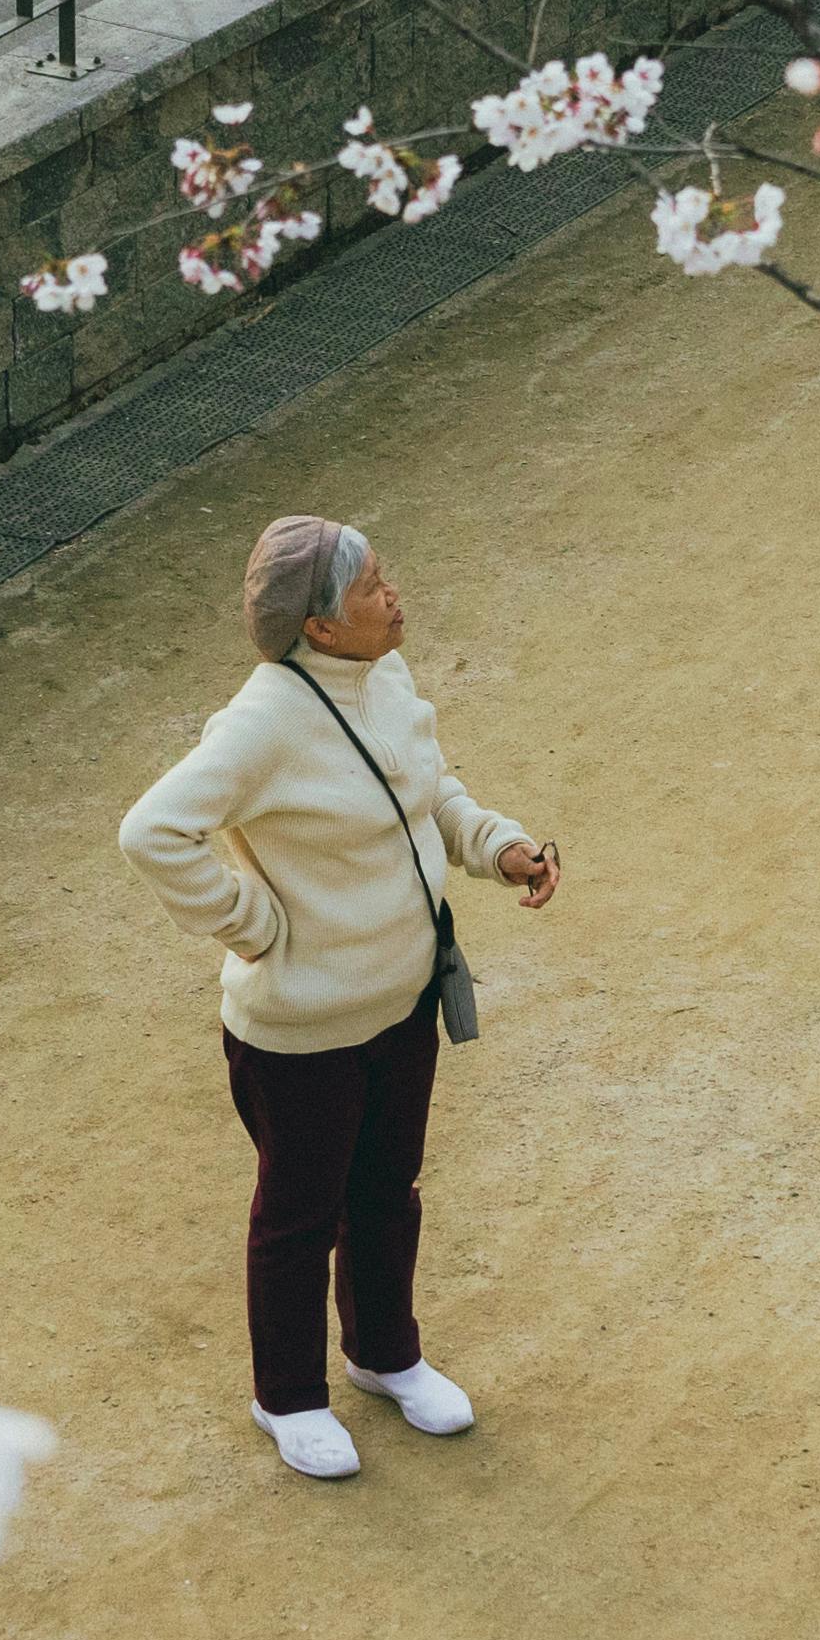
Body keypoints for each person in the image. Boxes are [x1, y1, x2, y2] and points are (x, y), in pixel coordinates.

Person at [117, 518, 561, 1483]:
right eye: (372, 590)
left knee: (385, 1192)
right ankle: (287, 1397)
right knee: (297, 1216)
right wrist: (253, 923)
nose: (393, 597)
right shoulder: (263, 723)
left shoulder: (385, 678)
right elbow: (152, 832)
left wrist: (498, 847)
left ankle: (384, 1355)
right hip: (300, 1035)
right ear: (320, 630)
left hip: (403, 1000)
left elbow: (430, 789)